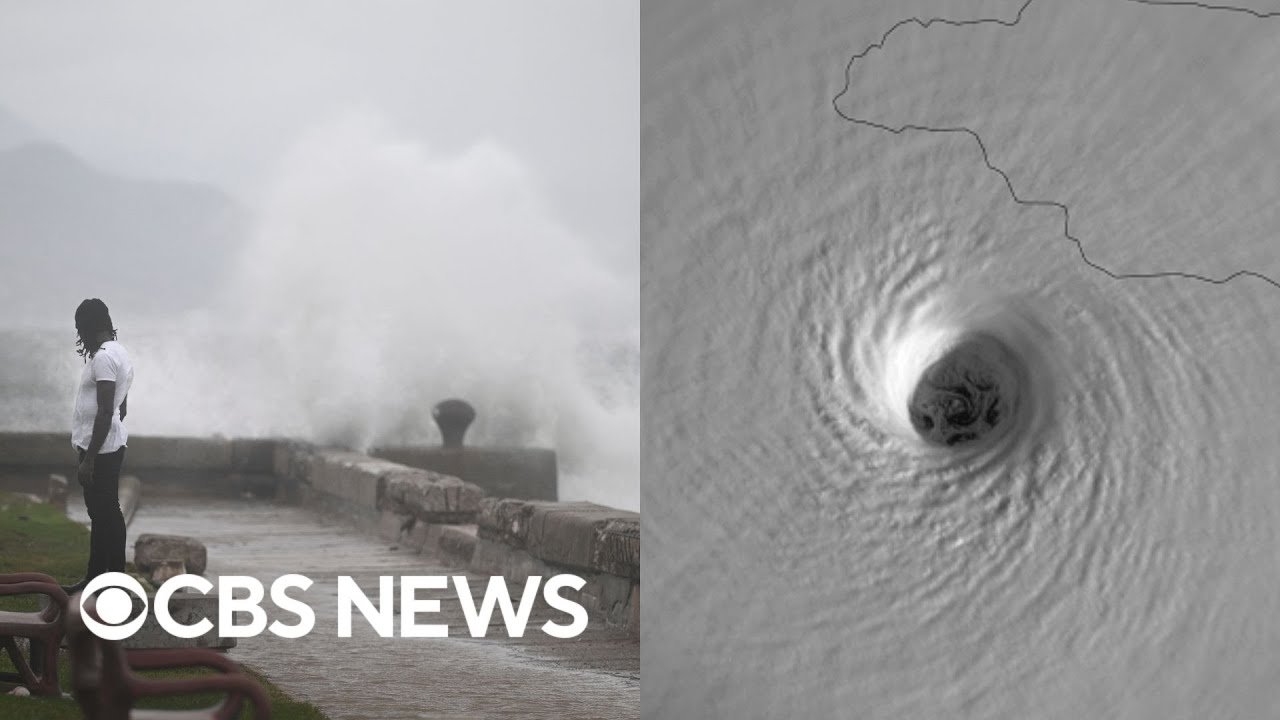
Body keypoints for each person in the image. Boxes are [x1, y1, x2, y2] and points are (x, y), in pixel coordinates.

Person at [62, 298, 135, 596]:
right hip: (109, 444)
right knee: (102, 514)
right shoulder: (120, 352)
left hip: (101, 450)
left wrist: (89, 459)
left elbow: (106, 411)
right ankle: (96, 580)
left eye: (81, 328)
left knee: (108, 514)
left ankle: (114, 581)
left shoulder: (103, 357)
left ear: (89, 327)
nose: (80, 336)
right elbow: (122, 405)